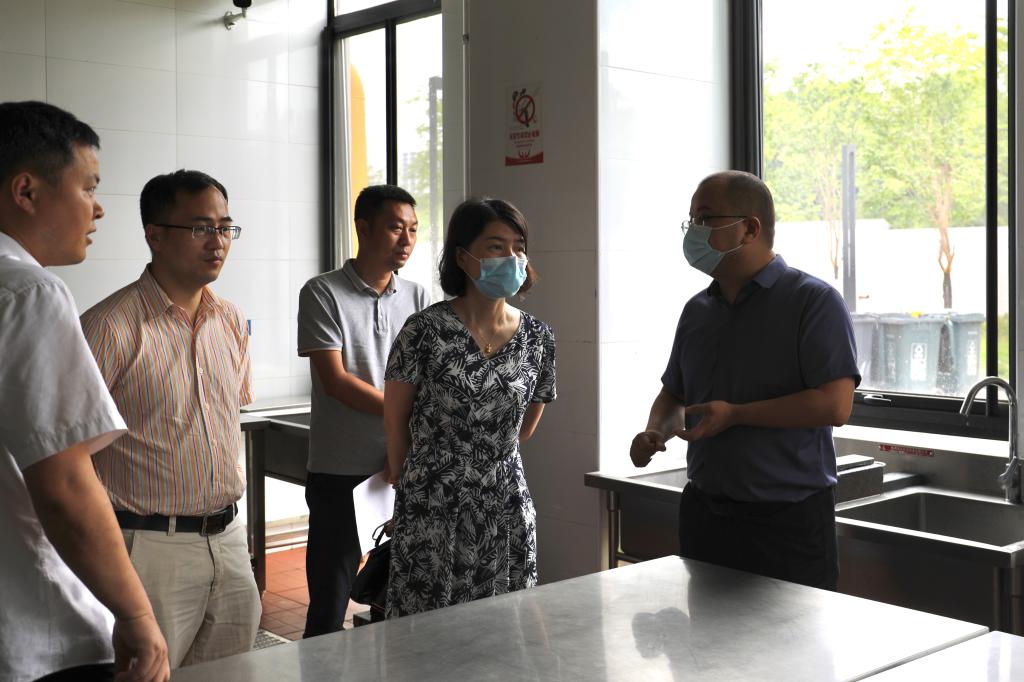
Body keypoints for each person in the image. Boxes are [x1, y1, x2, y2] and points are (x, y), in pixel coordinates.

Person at [0, 101, 169, 682]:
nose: (97, 208)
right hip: (31, 631)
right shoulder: (28, 293)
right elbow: (65, 482)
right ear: (26, 191)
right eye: (88, 187)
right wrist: (136, 614)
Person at [629, 170, 860, 590]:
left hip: (787, 523)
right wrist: (654, 431)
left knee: (792, 635)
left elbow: (835, 405)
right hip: (705, 515)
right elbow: (675, 394)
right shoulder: (697, 310)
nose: (694, 232)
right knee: (706, 633)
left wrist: (736, 414)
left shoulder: (813, 301)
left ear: (749, 229)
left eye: (705, 219)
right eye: (691, 221)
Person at [80, 170, 260, 668]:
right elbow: (72, 457)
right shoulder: (108, 327)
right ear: (154, 235)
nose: (218, 241)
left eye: (225, 227)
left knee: (233, 673)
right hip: (147, 548)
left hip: (228, 540)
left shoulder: (230, 320)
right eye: (201, 228)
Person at [384, 197, 557, 618]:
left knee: (503, 623)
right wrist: (410, 487)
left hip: (505, 499)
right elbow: (395, 421)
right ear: (463, 257)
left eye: (518, 247)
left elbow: (526, 424)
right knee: (427, 625)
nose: (511, 257)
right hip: (432, 500)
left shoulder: (538, 337)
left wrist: (487, 457)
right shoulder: (423, 331)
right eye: (496, 246)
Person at [297, 184, 429, 637]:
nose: (406, 239)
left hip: (402, 468)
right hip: (342, 472)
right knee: (329, 604)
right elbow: (335, 381)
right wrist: (400, 415)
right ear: (364, 228)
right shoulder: (323, 292)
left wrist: (403, 448)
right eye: (395, 228)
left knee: (400, 596)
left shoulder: (418, 297)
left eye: (413, 229)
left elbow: (429, 379)